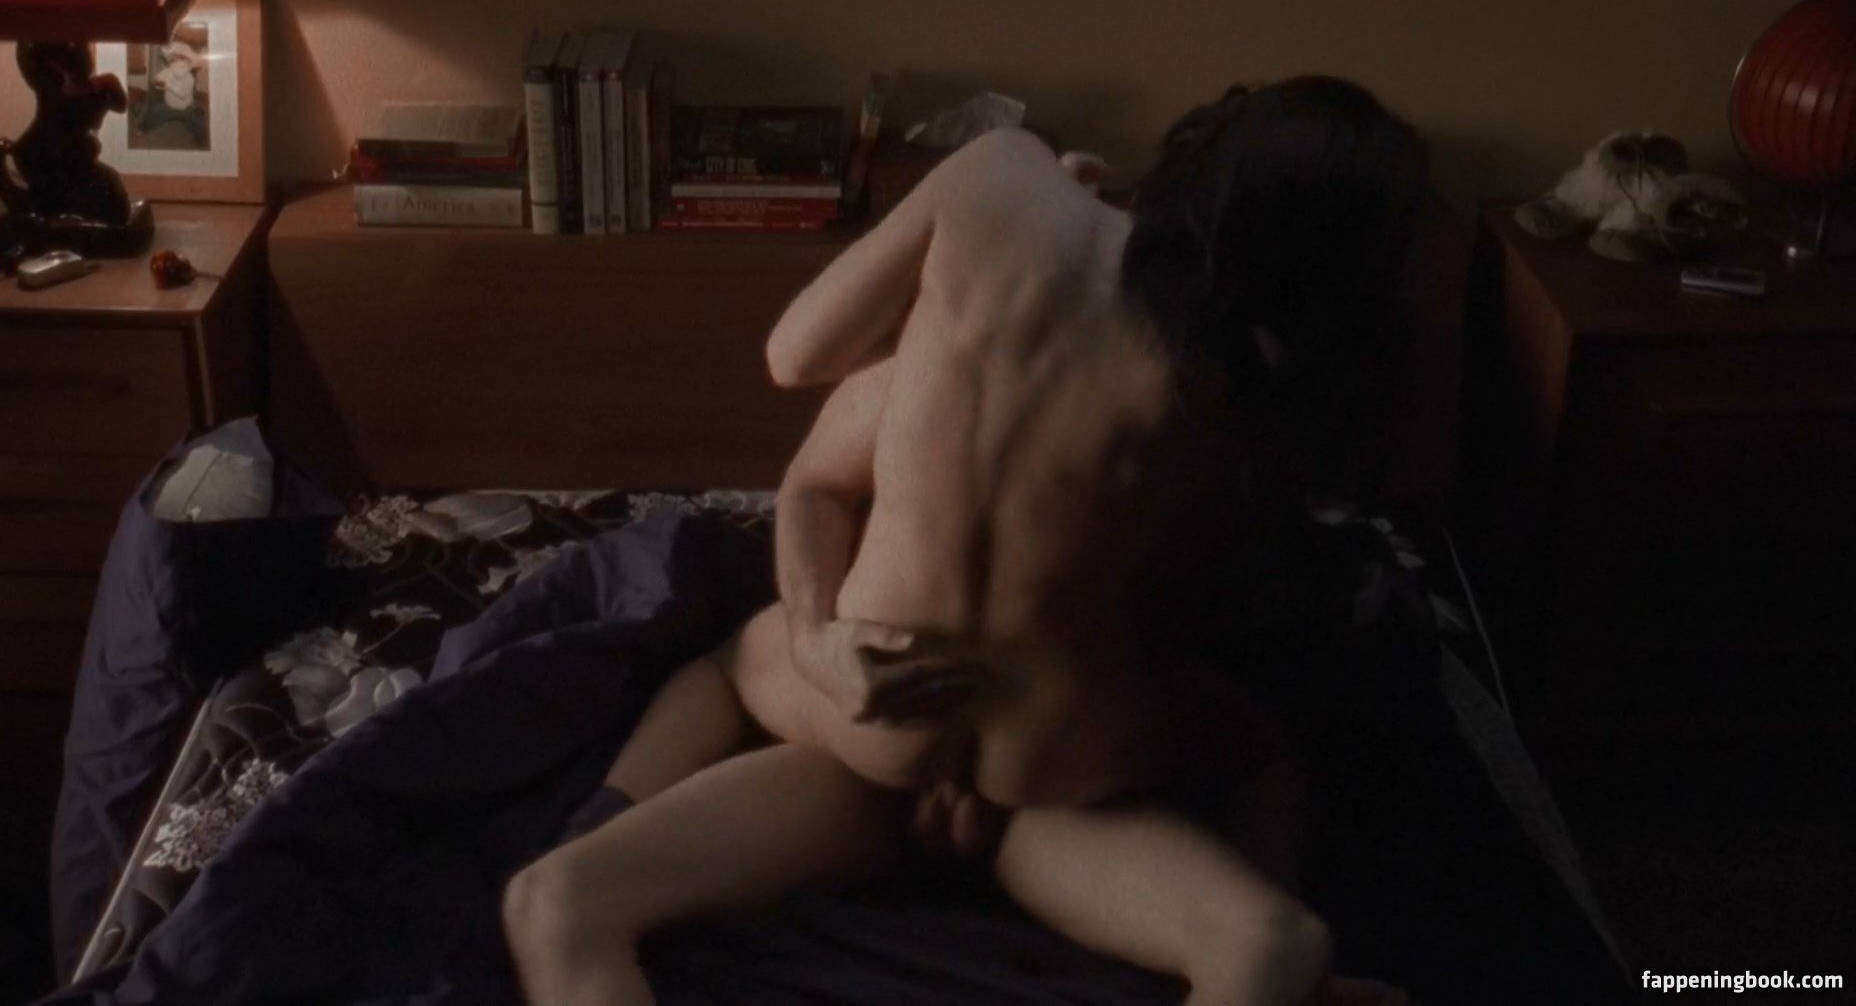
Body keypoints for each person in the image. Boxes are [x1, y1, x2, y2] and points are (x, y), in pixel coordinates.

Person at [504, 77, 1430, 1006]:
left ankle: (599, 821)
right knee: (1271, 869)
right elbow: (1198, 596)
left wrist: (818, 639)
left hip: (874, 730)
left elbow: (797, 373)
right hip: (1051, 773)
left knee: (679, 724)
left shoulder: (997, 182)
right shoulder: (1236, 394)